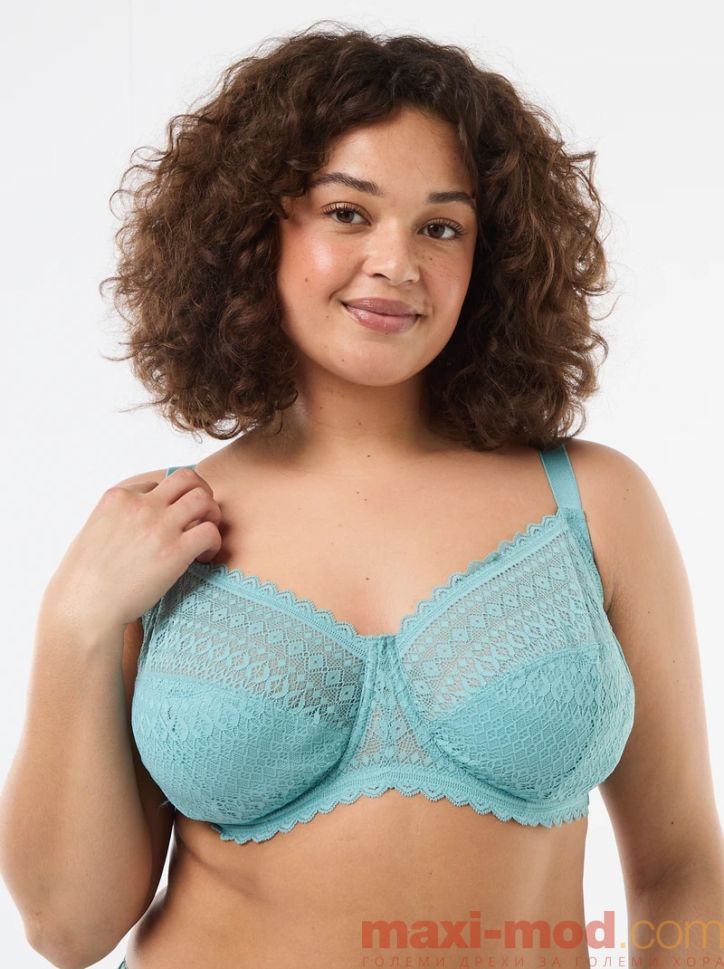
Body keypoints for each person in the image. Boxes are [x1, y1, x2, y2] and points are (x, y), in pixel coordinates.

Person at [2, 21, 722, 969]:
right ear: (256, 229)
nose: (396, 262)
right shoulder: (166, 534)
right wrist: (76, 619)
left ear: (492, 257)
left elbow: (683, 872)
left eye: (441, 227)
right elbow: (68, 928)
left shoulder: (591, 506)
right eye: (348, 212)